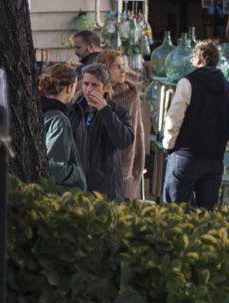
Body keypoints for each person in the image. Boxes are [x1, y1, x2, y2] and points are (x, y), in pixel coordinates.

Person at [162, 39, 229, 209]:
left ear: (197, 60)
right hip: (214, 161)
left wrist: (169, 145)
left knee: (173, 217)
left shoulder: (187, 83)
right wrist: (221, 146)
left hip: (185, 156)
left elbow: (173, 120)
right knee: (206, 220)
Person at [68, 61, 137, 199]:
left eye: (95, 85)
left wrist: (105, 110)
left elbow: (124, 141)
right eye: (86, 84)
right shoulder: (73, 110)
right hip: (75, 185)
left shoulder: (118, 112)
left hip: (105, 187)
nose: (89, 89)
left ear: (106, 87)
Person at [93, 49, 147, 200]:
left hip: (123, 165)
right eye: (118, 66)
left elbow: (133, 135)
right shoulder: (93, 92)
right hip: (95, 165)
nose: (124, 69)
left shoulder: (130, 95)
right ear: (105, 70)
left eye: (123, 65)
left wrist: (127, 171)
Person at [38, 64, 85, 193]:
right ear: (70, 88)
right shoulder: (59, 119)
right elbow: (56, 166)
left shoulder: (39, 110)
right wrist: (78, 173)